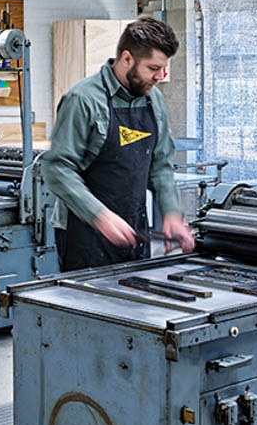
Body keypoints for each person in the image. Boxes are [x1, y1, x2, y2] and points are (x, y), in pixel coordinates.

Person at [39, 15, 194, 271]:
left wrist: (172, 214)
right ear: (126, 59)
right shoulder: (83, 99)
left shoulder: (153, 100)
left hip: (134, 227)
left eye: (163, 68)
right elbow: (57, 169)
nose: (160, 76)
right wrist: (99, 216)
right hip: (85, 233)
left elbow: (161, 165)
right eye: (153, 68)